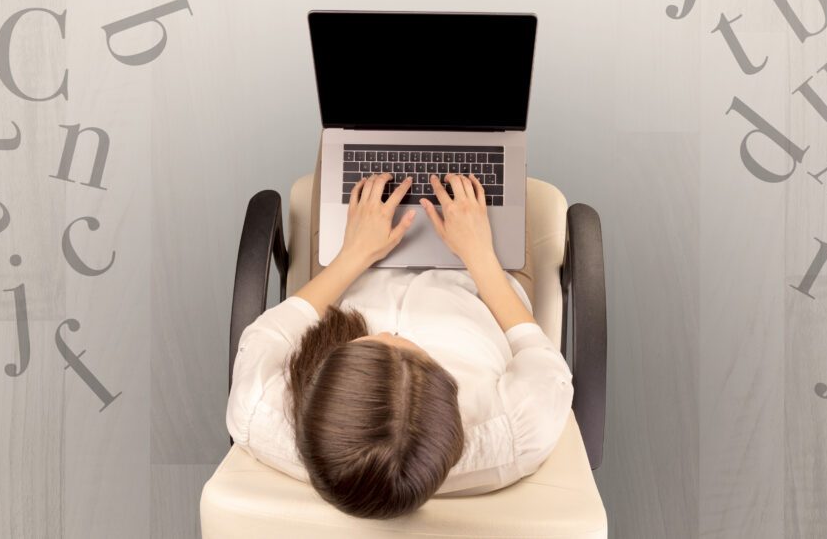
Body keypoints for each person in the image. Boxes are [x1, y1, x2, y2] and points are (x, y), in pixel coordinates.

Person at [225, 171, 575, 519]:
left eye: (369, 344)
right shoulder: (516, 431)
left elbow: (271, 332)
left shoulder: (260, 412)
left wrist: (354, 254)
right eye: (415, 351)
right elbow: (537, 353)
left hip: (354, 264)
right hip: (484, 279)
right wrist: (479, 253)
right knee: (490, 155)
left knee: (356, 143)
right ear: (452, 405)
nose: (390, 336)